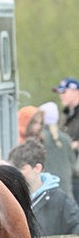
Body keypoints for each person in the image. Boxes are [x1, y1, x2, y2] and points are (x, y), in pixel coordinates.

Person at [38, 102, 75, 200]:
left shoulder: (39, 139)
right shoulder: (66, 139)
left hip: (46, 193)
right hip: (67, 193)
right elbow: (73, 165)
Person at [52, 76, 79, 204]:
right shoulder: (65, 115)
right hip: (69, 172)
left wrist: (73, 145)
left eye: (64, 92)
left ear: (76, 91)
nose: (61, 96)